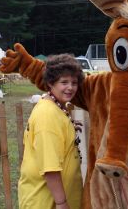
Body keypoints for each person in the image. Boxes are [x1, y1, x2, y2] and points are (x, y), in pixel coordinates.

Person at [18, 54, 84, 209]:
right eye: (64, 82)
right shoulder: (48, 115)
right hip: (47, 203)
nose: (70, 87)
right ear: (50, 83)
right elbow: (50, 168)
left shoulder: (57, 108)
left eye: (74, 82)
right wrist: (61, 203)